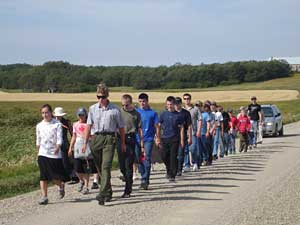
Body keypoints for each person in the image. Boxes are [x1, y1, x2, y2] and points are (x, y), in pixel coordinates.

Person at [82, 83, 125, 206]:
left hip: (109, 138)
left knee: (106, 166)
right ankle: (108, 191)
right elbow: (88, 126)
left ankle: (101, 193)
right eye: (98, 97)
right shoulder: (92, 109)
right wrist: (85, 143)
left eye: (103, 96)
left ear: (107, 96)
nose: (100, 99)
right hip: (96, 138)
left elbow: (121, 128)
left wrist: (122, 143)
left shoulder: (115, 110)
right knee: (100, 167)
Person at [36, 104, 68, 205]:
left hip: (54, 153)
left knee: (54, 176)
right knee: (43, 176)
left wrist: (58, 146)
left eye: (46, 112)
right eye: (43, 113)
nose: (45, 115)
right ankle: (44, 197)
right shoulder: (39, 125)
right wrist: (38, 151)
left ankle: (61, 185)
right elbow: (38, 139)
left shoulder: (57, 124)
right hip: (43, 153)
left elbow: (59, 138)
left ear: (51, 113)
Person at [117, 94, 144, 198]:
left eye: (127, 105)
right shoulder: (118, 112)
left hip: (130, 138)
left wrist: (141, 143)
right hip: (119, 138)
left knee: (128, 164)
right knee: (122, 165)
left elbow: (140, 129)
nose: (125, 107)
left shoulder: (136, 114)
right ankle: (126, 178)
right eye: (123, 105)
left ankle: (128, 189)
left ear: (131, 103)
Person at [68, 107, 97, 195]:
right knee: (77, 168)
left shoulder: (89, 125)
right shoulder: (75, 124)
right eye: (79, 115)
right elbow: (74, 136)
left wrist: (87, 139)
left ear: (86, 115)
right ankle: (81, 180)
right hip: (77, 146)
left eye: (82, 115)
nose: (81, 117)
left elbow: (92, 136)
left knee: (86, 168)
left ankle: (86, 186)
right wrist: (70, 147)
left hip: (86, 146)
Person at [136, 93, 160, 190]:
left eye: (144, 101)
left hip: (148, 139)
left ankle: (145, 180)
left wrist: (157, 137)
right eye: (140, 101)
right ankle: (143, 175)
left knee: (147, 158)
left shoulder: (153, 113)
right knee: (138, 159)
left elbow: (157, 126)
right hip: (137, 138)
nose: (142, 103)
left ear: (147, 101)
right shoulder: (136, 112)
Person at [159, 96, 184, 182]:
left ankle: (172, 174)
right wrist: (157, 137)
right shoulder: (163, 114)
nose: (170, 106)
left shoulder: (178, 115)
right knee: (164, 156)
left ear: (174, 105)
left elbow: (181, 128)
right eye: (168, 104)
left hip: (175, 139)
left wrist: (181, 140)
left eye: (171, 104)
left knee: (173, 156)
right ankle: (168, 168)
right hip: (164, 138)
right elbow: (158, 126)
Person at [53, 107, 77, 184]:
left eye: (59, 115)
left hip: (64, 143)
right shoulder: (52, 122)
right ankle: (63, 177)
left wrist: (73, 145)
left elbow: (71, 132)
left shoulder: (66, 122)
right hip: (55, 143)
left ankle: (73, 176)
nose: (58, 117)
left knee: (66, 161)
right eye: (57, 115)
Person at [182, 93, 201, 172]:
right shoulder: (181, 109)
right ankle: (186, 164)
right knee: (185, 149)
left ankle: (195, 162)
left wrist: (199, 130)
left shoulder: (195, 109)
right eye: (185, 99)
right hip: (183, 132)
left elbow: (200, 119)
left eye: (188, 98)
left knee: (193, 149)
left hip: (193, 131)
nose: (187, 100)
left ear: (190, 99)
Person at [174, 97, 192, 176]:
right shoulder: (171, 113)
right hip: (172, 136)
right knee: (173, 154)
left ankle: (179, 169)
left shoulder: (185, 113)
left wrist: (190, 136)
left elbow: (189, 126)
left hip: (183, 135)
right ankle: (173, 168)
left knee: (181, 154)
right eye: (175, 104)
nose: (176, 105)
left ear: (181, 104)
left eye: (178, 104)